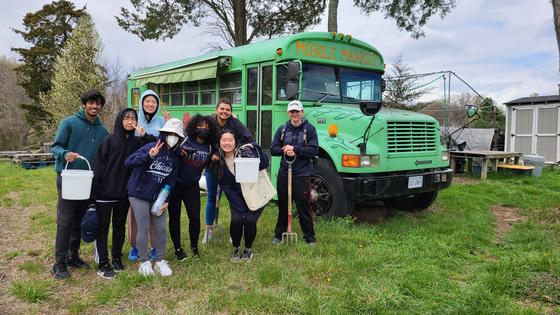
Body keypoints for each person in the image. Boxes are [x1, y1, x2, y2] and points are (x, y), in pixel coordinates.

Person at [50, 90, 109, 279]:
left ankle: (72, 256)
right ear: (84, 104)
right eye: (91, 103)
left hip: (88, 180)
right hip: (68, 177)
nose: (94, 106)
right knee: (65, 220)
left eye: (98, 104)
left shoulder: (103, 130)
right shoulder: (69, 123)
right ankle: (58, 264)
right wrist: (64, 153)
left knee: (78, 219)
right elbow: (55, 146)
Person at [91, 108, 156, 279]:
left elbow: (156, 144)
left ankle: (117, 258)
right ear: (120, 120)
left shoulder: (136, 142)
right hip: (104, 195)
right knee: (103, 228)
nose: (129, 122)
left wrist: (143, 135)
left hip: (124, 194)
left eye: (133, 119)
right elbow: (98, 168)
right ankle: (103, 263)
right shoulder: (109, 140)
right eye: (126, 118)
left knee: (119, 227)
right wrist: (94, 195)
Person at [125, 118, 183, 276]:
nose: (172, 137)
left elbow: (171, 180)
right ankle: (144, 262)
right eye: (169, 134)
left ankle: (160, 261)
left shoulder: (174, 156)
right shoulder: (151, 146)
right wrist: (148, 156)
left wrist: (166, 200)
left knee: (161, 227)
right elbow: (128, 162)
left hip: (157, 196)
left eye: (176, 135)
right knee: (143, 226)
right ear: (163, 134)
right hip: (138, 192)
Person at [210, 130, 269, 262]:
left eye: (230, 140)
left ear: (235, 141)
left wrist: (257, 148)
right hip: (236, 198)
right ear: (219, 142)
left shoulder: (245, 153)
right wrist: (242, 210)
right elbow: (227, 188)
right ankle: (236, 248)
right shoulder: (218, 162)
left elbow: (264, 164)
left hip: (255, 193)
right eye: (224, 140)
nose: (227, 143)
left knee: (250, 221)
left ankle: (248, 250)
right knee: (237, 220)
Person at [203, 97, 254, 243]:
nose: (225, 112)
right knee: (212, 197)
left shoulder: (234, 123)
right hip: (212, 165)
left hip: (230, 166)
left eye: (228, 110)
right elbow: (202, 139)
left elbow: (247, 138)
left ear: (230, 112)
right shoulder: (210, 122)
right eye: (222, 109)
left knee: (234, 198)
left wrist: (245, 148)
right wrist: (213, 152)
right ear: (216, 110)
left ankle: (235, 230)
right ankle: (208, 230)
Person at [128, 89, 170, 261]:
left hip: (156, 170)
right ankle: (134, 246)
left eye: (154, 101)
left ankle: (154, 246)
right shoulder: (134, 119)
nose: (150, 104)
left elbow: (166, 141)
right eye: (147, 101)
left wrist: (169, 123)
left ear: (158, 104)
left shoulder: (161, 121)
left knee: (154, 211)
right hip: (137, 169)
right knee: (136, 214)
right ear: (141, 103)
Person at [168, 114, 217, 260]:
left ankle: (194, 248)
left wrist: (217, 155)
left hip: (192, 185)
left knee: (195, 217)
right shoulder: (184, 139)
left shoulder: (209, 146)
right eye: (200, 126)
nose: (203, 129)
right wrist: (178, 151)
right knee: (174, 218)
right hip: (175, 184)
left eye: (206, 127)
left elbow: (219, 152)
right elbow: (169, 147)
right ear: (194, 127)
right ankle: (178, 249)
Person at [270, 100, 319, 245]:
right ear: (288, 113)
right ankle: (279, 235)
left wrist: (296, 149)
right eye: (292, 111)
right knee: (284, 205)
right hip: (285, 173)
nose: (294, 114)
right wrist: (285, 149)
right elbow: (273, 149)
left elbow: (314, 150)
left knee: (304, 205)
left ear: (302, 112)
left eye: (297, 111)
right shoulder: (282, 129)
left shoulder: (309, 129)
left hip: (302, 174)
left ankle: (309, 237)